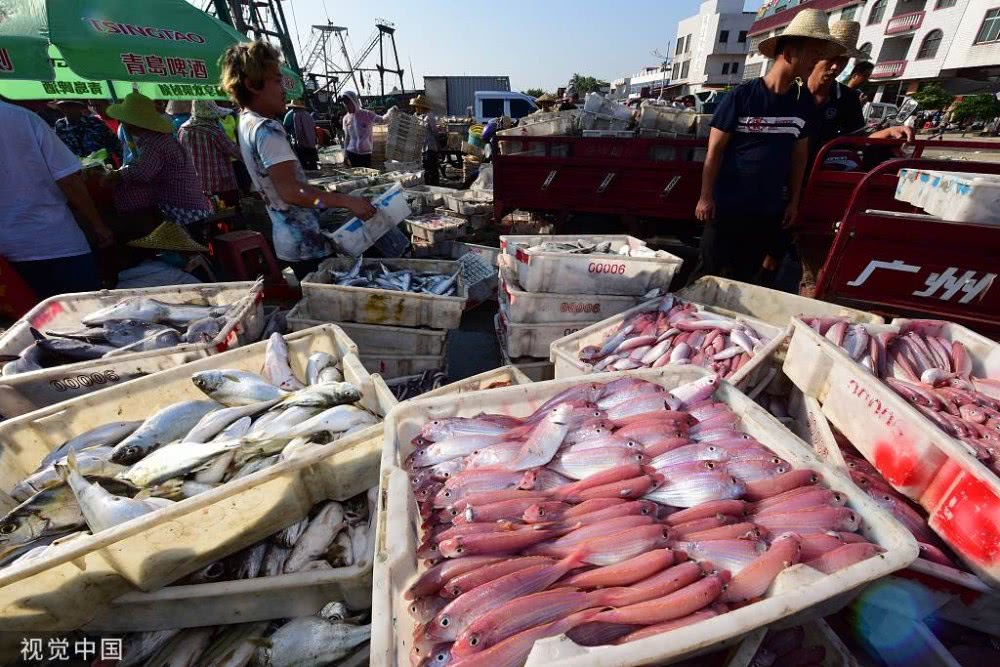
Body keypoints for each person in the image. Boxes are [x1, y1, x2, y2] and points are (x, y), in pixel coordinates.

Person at [692, 9, 841, 285]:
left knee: (744, 276)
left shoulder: (802, 103)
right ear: (790, 52)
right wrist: (705, 196)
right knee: (707, 273)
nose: (817, 61)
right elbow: (715, 151)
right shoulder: (742, 97)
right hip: (728, 205)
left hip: (767, 209)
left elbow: (799, 157)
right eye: (813, 53)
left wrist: (793, 202)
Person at [220, 40, 376, 278]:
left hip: (288, 241)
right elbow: (291, 192)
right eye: (276, 81)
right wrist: (346, 201)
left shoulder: (245, 123)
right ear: (252, 85)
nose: (284, 89)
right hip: (306, 244)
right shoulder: (267, 129)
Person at [794, 20, 914, 296]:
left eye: (843, 61)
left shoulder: (847, 99)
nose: (835, 67)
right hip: (786, 180)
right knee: (773, 250)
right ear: (815, 58)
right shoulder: (791, 92)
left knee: (816, 259)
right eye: (831, 59)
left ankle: (810, 293)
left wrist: (887, 133)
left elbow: (856, 139)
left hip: (823, 187)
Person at [0, 98, 113, 298]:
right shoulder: (23, 118)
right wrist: (97, 224)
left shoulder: (24, 117)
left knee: (33, 314)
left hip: (9, 252)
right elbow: (68, 179)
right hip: (54, 241)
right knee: (82, 310)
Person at [103, 93, 213, 235]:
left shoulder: (153, 142)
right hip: (191, 203)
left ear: (132, 123)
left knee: (188, 245)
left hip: (182, 208)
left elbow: (142, 173)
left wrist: (115, 175)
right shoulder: (157, 139)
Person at [178, 100, 243, 206]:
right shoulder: (213, 131)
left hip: (197, 184)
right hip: (221, 184)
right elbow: (235, 151)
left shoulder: (182, 130)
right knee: (230, 211)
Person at [53, 99, 120, 159]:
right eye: (63, 106)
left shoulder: (94, 122)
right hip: (77, 166)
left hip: (102, 163)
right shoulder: (60, 125)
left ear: (79, 107)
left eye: (71, 106)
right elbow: (59, 150)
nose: (67, 109)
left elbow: (115, 143)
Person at [341, 90, 385, 168]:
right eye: (345, 104)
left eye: (348, 103)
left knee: (367, 173)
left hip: (366, 153)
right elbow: (347, 138)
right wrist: (345, 155)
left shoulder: (366, 114)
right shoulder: (346, 118)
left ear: (354, 102)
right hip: (352, 153)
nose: (346, 106)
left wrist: (391, 112)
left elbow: (382, 120)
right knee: (355, 174)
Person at [412, 95, 442, 186]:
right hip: (424, 147)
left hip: (430, 146)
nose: (416, 108)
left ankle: (434, 185)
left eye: (417, 106)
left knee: (432, 168)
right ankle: (429, 185)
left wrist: (438, 143)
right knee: (427, 168)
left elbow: (435, 131)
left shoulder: (429, 116)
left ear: (421, 106)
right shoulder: (422, 116)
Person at [283, 99, 318, 170]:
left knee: (303, 163)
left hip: (301, 143)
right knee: (313, 162)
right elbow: (314, 127)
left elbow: (298, 129)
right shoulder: (308, 115)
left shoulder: (295, 115)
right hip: (311, 142)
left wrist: (298, 140)